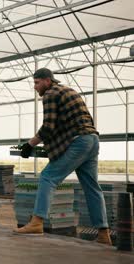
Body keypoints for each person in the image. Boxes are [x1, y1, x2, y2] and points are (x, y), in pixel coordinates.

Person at [13, 68, 111, 245]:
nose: (35, 87)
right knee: (92, 188)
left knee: (48, 177)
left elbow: (48, 126)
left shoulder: (50, 94)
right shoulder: (69, 90)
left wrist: (30, 144)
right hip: (92, 140)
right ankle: (104, 233)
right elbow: (68, 123)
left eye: (37, 82)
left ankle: (37, 222)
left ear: (48, 81)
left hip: (79, 141)